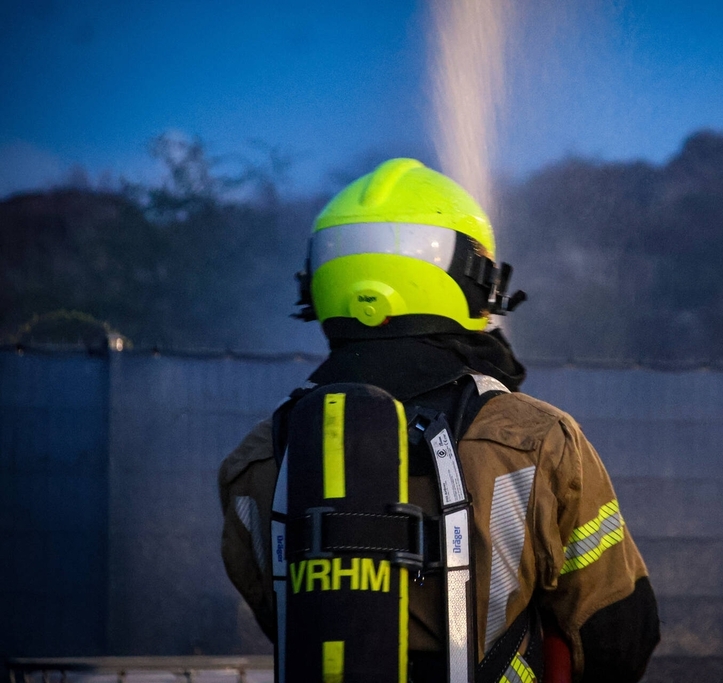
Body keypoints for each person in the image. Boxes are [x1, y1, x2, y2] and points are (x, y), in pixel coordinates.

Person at [218, 158, 659, 683]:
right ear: (474, 283)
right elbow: (619, 631)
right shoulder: (536, 440)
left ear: (318, 285)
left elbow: (288, 621)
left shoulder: (259, 458)